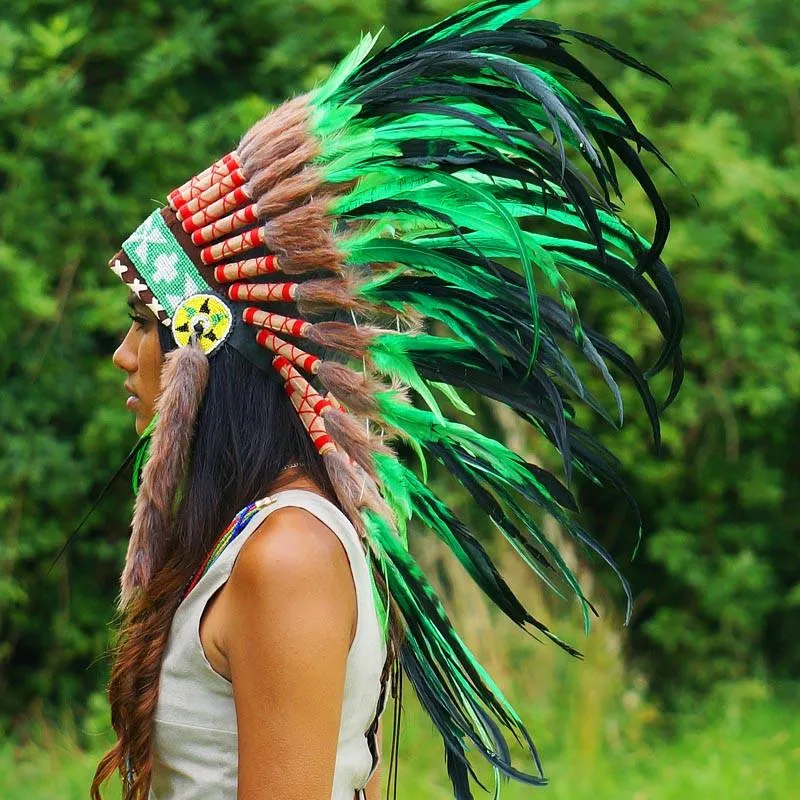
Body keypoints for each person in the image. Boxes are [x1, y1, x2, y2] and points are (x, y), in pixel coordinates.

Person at [90, 1, 683, 798]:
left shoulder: (288, 554)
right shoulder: (257, 536)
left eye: (144, 323)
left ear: (207, 351)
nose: (124, 357)